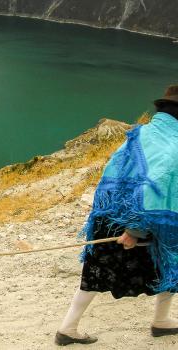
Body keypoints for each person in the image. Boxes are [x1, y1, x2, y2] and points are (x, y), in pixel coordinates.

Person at [55, 85, 178, 346]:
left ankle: (69, 326)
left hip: (108, 215)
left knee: (95, 272)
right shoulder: (174, 144)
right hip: (144, 223)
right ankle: (161, 320)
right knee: (171, 261)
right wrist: (135, 230)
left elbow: (112, 172)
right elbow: (155, 187)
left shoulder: (141, 133)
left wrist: (110, 216)